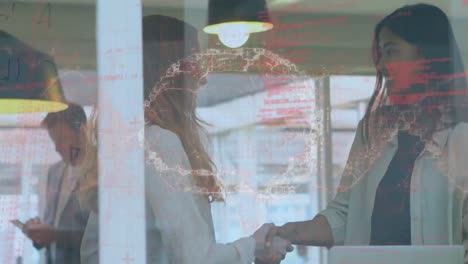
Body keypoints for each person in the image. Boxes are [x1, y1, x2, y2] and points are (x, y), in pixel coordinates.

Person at [78, 15, 293, 264]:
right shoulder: (157, 143)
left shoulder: (131, 143)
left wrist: (252, 251)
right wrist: (253, 246)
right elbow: (196, 258)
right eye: (195, 62)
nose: (202, 77)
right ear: (169, 72)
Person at [264, 2, 468, 258]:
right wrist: (289, 232)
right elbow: (345, 215)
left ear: (427, 57)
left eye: (391, 51)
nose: (381, 66)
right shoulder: (372, 131)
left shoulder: (462, 136)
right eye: (380, 54)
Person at [23, 103, 90, 264]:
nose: (56, 148)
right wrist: (39, 232)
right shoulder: (54, 172)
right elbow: (52, 222)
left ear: (81, 132)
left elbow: (101, 235)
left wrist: (55, 234)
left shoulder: (101, 172)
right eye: (53, 140)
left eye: (61, 139)